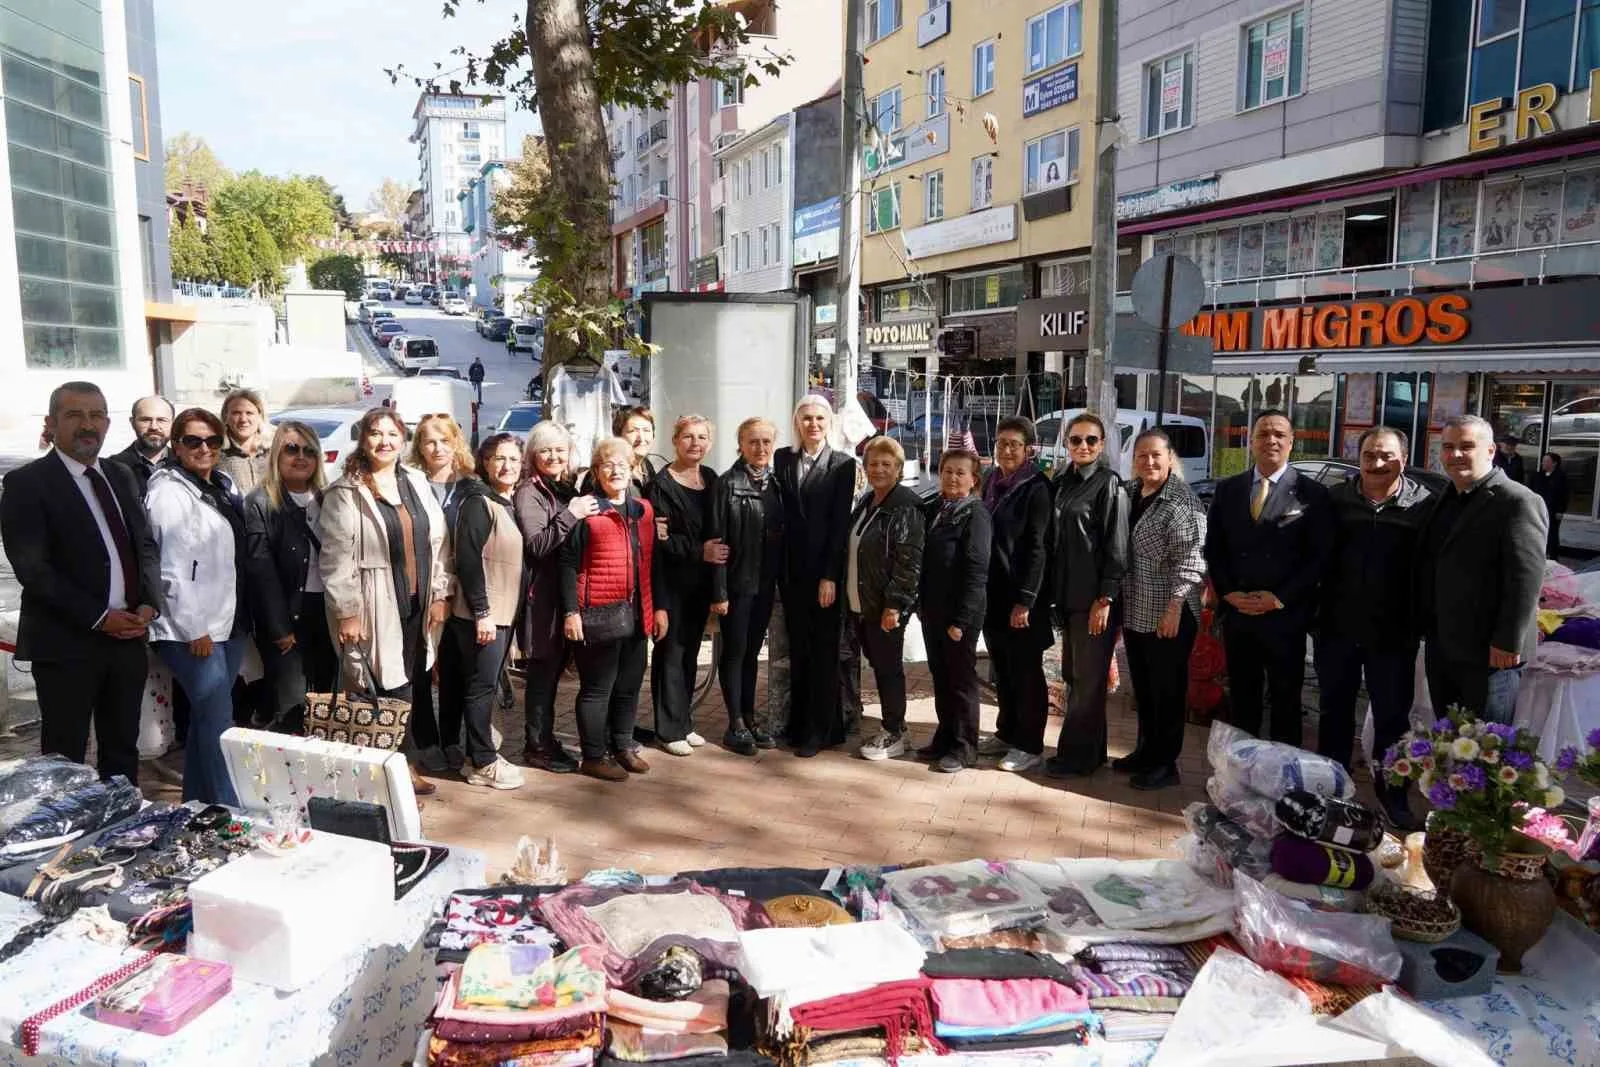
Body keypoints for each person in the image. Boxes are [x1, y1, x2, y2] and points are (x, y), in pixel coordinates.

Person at [0, 382, 162, 783]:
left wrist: (148, 602)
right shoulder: (26, 484)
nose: (87, 425)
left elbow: (144, 546)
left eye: (96, 415)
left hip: (127, 640)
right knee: (64, 756)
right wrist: (99, 617)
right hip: (67, 645)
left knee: (123, 748)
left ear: (107, 423)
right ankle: (65, 839)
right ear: (51, 424)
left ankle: (122, 830)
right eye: (75, 415)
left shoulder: (121, 476)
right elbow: (33, 570)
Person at [320, 408, 451, 794]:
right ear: (363, 439)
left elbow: (438, 542)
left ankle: (401, 763)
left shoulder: (415, 481)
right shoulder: (346, 492)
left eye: (392, 434)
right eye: (376, 434)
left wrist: (442, 592)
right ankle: (386, 774)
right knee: (380, 686)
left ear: (403, 439)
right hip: (372, 603)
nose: (384, 442)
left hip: (418, 599)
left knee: (409, 681)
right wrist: (347, 612)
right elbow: (335, 558)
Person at [1315, 426, 1434, 826]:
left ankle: (1393, 795)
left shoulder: (1424, 507)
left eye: (1387, 455)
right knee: (1333, 713)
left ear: (1404, 457)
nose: (1377, 463)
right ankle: (1334, 790)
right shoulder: (1336, 500)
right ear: (1358, 456)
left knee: (1392, 719)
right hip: (1337, 629)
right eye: (1370, 455)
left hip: (1394, 634)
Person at [1203, 410, 1332, 744]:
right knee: (1243, 699)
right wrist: (1228, 593)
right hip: (1238, 614)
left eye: (1278, 434)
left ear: (1291, 443)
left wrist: (1279, 597)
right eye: (1263, 434)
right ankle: (1241, 774)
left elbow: (1319, 558)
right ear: (1251, 441)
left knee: (1286, 700)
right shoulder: (1229, 489)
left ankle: (1282, 779)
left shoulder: (1312, 494)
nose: (1270, 440)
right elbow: (1214, 547)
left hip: (1284, 617)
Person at [146, 408, 252, 805]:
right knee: (218, 723)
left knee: (208, 721)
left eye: (212, 440)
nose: (204, 448)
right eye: (193, 441)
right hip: (193, 630)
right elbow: (171, 570)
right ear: (176, 446)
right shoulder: (168, 494)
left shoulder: (221, 485)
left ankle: (198, 803)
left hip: (227, 622)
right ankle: (229, 807)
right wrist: (195, 629)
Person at [1419, 415, 1547, 722]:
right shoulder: (1444, 499)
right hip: (1444, 647)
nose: (1455, 455)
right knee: (1447, 739)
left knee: (1485, 748)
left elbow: (1525, 578)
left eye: (1466, 446)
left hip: (1490, 655)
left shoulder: (1517, 501)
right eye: (1448, 447)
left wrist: (1507, 640)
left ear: (1491, 451)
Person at [559, 437, 669, 781]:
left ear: (633, 468)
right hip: (599, 613)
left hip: (639, 614)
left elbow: (655, 564)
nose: (616, 468)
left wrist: (661, 608)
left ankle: (622, 745)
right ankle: (593, 755)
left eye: (622, 463)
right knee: (597, 688)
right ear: (596, 471)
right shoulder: (589, 511)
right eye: (607, 463)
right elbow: (566, 563)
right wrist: (570, 611)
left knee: (629, 686)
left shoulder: (644, 511)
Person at [1119, 429, 1208, 792]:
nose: (1149, 462)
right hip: (1137, 607)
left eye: (1156, 455)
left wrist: (1174, 608)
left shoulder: (1182, 501)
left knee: (1167, 691)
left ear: (1170, 458)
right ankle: (1145, 751)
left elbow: (1192, 560)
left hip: (1169, 611)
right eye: (1142, 455)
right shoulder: (1131, 492)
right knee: (1145, 687)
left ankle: (1165, 763)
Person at [1045, 413, 1130, 778]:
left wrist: (1106, 598)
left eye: (1090, 440)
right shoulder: (1061, 482)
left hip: (1095, 602)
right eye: (1076, 439)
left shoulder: (1109, 485)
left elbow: (1117, 547)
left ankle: (1075, 758)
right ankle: (1092, 752)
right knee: (1077, 677)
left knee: (1088, 681)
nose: (1083, 446)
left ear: (1101, 444)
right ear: (1066, 443)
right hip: (1066, 599)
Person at [774, 396, 857, 757]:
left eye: (819, 418)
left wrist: (830, 577)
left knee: (823, 653)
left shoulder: (843, 465)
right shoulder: (782, 458)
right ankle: (799, 724)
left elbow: (839, 526)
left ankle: (819, 731)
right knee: (799, 651)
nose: (813, 424)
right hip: (792, 573)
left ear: (829, 422)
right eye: (806, 418)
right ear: (796, 422)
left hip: (823, 575)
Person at [243, 421, 337, 735]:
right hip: (287, 612)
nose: (301, 457)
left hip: (327, 610)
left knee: (326, 698)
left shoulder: (331, 498)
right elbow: (260, 570)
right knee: (292, 703)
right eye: (291, 449)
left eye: (309, 450)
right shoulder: (260, 501)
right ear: (276, 455)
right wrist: (279, 627)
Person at [514, 421, 594, 774]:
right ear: (533, 455)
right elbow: (537, 545)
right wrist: (571, 515)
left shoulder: (564, 488)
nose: (553, 456)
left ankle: (545, 739)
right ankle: (536, 747)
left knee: (555, 673)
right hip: (542, 598)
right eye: (545, 450)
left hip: (565, 596)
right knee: (542, 676)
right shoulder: (530, 492)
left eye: (559, 450)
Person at [448, 434, 527, 790]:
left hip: (502, 613)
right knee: (480, 688)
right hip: (483, 615)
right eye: (499, 458)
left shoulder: (506, 502)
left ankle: (473, 755)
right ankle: (482, 761)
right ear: (485, 462)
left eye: (513, 459)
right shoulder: (479, 503)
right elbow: (466, 559)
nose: (507, 465)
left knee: (485, 684)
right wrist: (481, 611)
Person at [977, 416, 1054, 774]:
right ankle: (1006, 732)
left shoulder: (1036, 487)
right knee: (1002, 670)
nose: (1006, 450)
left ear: (1028, 450)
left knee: (1026, 673)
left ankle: (1029, 744)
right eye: (1001, 442)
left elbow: (1039, 547)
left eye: (1014, 444)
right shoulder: (991, 481)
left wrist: (1026, 599)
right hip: (992, 594)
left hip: (1021, 598)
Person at [706, 417, 785, 756]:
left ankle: (750, 716)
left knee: (753, 653)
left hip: (765, 584)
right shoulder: (728, 484)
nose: (761, 448)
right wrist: (719, 592)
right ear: (741, 444)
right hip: (737, 585)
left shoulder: (776, 485)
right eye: (753, 442)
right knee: (735, 653)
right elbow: (716, 541)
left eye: (766, 442)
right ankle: (735, 721)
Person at [847, 436, 926, 763]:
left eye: (886, 464)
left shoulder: (905, 504)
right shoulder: (868, 502)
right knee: (879, 667)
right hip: (861, 603)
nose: (879, 469)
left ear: (898, 469)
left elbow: (909, 561)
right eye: (873, 463)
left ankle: (895, 731)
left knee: (888, 669)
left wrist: (895, 604)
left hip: (884, 607)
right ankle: (896, 727)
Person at [407, 414, 477, 773]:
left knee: (453, 669)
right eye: (429, 441)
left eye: (444, 441)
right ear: (419, 446)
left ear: (455, 443)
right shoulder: (409, 483)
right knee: (418, 669)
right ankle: (426, 738)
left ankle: (451, 738)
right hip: (419, 593)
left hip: (462, 594)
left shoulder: (469, 485)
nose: (437, 448)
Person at [645, 415, 718, 756]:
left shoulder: (711, 479)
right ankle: (668, 728)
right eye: (687, 437)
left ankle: (684, 722)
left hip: (700, 584)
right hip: (672, 582)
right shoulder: (661, 485)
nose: (695, 443)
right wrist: (697, 550)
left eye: (702, 437)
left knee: (690, 653)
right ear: (675, 441)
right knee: (670, 654)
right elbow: (660, 542)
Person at [918, 449, 992, 773]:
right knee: (940, 675)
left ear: (973, 479)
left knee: (961, 680)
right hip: (932, 610)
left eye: (960, 473)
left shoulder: (975, 515)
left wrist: (961, 620)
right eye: (947, 471)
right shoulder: (935, 508)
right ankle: (945, 736)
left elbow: (977, 571)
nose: (952, 477)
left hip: (961, 614)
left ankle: (964, 747)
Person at [107, 395, 174, 495]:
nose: (154, 427)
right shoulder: (112, 469)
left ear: (173, 423)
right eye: (145, 420)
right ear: (132, 423)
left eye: (161, 420)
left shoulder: (186, 464)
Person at [217, 388, 269, 494]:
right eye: (236, 413)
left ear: (260, 417)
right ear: (225, 417)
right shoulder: (215, 455)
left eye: (249, 413)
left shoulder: (274, 452)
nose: (243, 419)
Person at [1528, 452, 1569, 560]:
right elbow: (1531, 491)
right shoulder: (1538, 476)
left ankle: (1553, 556)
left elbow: (1564, 494)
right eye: (1543, 461)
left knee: (1552, 533)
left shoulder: (1561, 477)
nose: (1543, 463)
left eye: (1547, 461)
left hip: (1553, 510)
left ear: (1554, 463)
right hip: (1538, 509)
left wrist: (1561, 510)